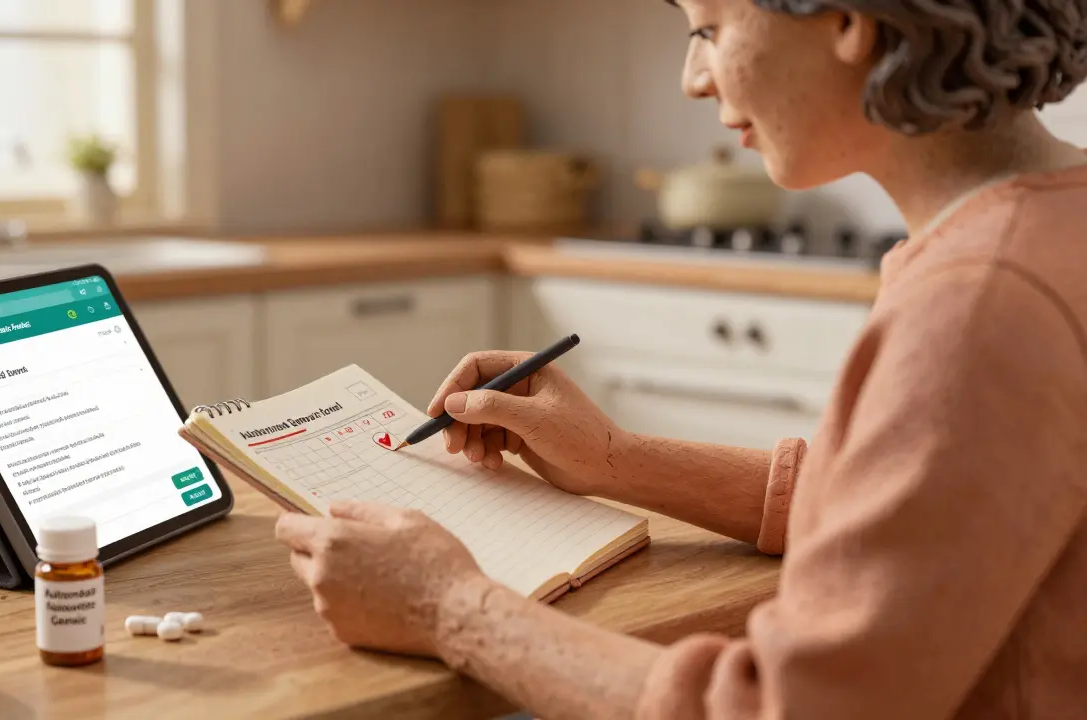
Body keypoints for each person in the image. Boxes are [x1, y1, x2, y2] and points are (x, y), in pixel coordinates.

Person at [273, 0, 1087, 716]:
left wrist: (448, 607)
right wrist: (616, 459)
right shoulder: (1048, 227)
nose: (693, 79)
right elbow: (912, 511)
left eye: (709, 29)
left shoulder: (980, 303)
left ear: (847, 20)